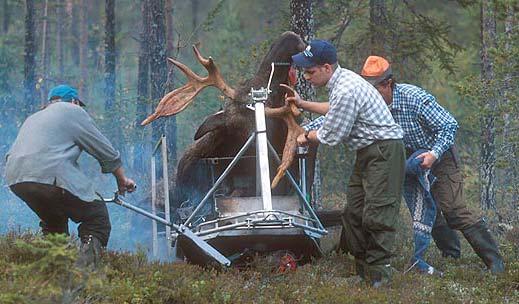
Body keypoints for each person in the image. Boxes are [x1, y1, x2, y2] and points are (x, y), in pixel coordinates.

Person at [360, 56, 505, 274]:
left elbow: (449, 125)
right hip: (411, 162)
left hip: (439, 156)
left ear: (387, 83)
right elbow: (341, 117)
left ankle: (495, 263)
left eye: (373, 89)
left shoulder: (414, 98)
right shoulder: (370, 105)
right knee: (429, 211)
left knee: (454, 209)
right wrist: (308, 130)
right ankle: (451, 256)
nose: (369, 96)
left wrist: (433, 154)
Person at [285, 40, 406, 287]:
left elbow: (332, 135)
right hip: (369, 152)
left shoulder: (347, 88)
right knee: (354, 213)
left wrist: (305, 136)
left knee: (377, 213)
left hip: (383, 152)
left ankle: (380, 276)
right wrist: (304, 104)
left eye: (310, 71)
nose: (305, 76)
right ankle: (362, 273)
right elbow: (335, 109)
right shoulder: (342, 81)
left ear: (327, 68)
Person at [5, 84, 136, 267]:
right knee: (97, 217)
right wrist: (122, 180)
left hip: (16, 178)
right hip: (47, 174)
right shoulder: (72, 111)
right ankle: (82, 278)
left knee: (54, 223)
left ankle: (52, 277)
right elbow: (104, 150)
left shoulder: (34, 117)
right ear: (74, 101)